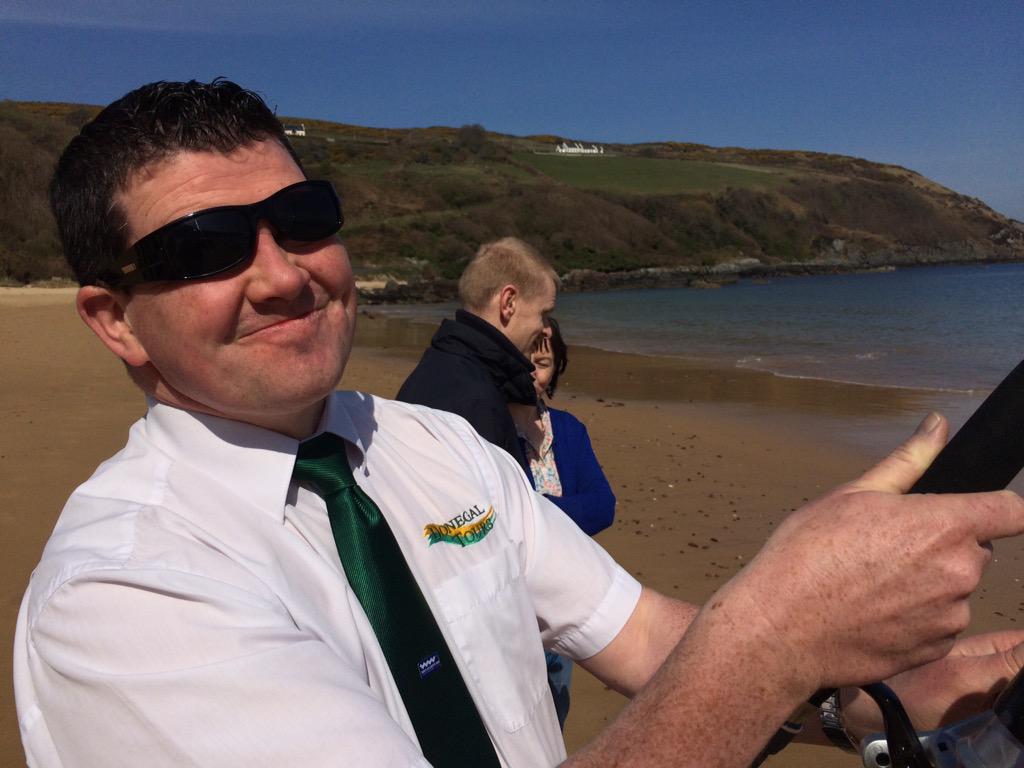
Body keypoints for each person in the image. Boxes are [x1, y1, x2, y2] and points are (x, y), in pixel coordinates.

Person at [14, 78, 1024, 768]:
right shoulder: (121, 595)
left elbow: (640, 639)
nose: (284, 274)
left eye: (306, 219)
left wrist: (856, 701)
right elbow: (734, 652)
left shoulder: (433, 444)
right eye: (209, 246)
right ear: (114, 320)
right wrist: (773, 636)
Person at [510, 318, 616, 729]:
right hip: (512, 603)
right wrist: (561, 513)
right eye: (523, 360)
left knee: (555, 716)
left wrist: (530, 510)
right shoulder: (489, 430)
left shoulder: (569, 430)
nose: (532, 373)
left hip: (562, 599)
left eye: (542, 363)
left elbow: (603, 506)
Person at [395, 237, 557, 470]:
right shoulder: (475, 402)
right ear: (508, 302)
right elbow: (487, 504)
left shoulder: (440, 365)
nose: (547, 329)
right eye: (543, 313)